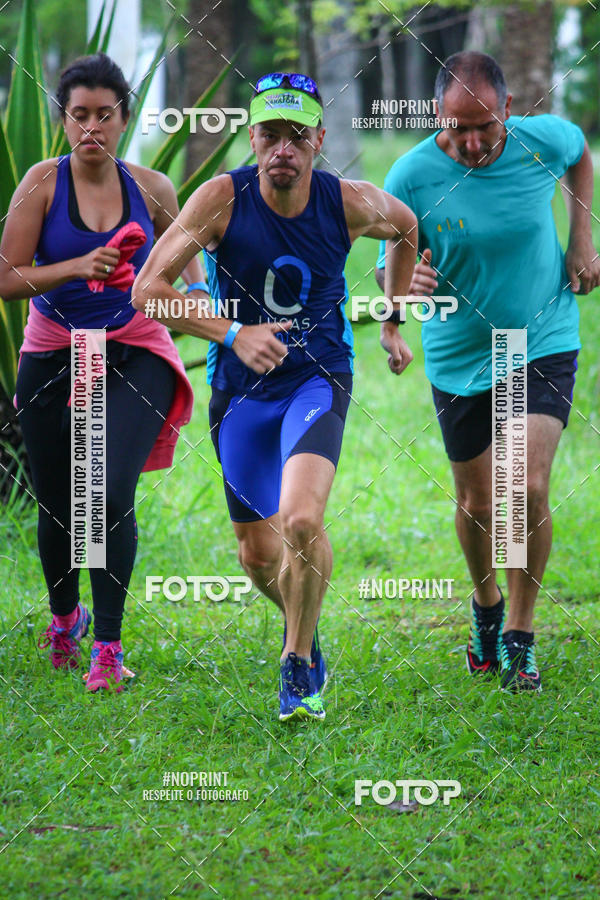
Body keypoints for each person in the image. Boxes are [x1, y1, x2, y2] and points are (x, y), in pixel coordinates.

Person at [133, 72, 418, 720]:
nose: (282, 148)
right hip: (239, 393)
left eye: (297, 135)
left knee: (301, 521)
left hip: (318, 379)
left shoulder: (347, 201)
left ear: (319, 139)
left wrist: (394, 315)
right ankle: (307, 629)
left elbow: (407, 228)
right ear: (252, 138)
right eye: (269, 134)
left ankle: (296, 665)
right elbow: (147, 290)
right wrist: (232, 332)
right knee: (256, 554)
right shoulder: (219, 200)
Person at [376, 51, 600, 692]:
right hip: (461, 354)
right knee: (477, 502)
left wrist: (580, 238)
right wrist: (396, 309)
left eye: (485, 126)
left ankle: (522, 636)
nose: (471, 141)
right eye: (456, 127)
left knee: (522, 486)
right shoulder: (413, 172)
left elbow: (581, 151)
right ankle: (486, 608)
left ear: (507, 109)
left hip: (539, 338)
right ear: (439, 117)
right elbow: (395, 245)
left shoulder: (541, 141)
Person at [0, 53, 203, 692]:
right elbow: (6, 278)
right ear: (62, 120)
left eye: (104, 116)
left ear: (124, 119)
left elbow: (187, 266)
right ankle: (67, 620)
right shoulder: (40, 182)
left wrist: (199, 299)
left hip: (133, 347)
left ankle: (109, 648)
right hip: (55, 349)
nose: (92, 128)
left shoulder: (152, 188)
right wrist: (74, 266)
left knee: (108, 491)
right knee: (59, 502)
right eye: (79, 115)